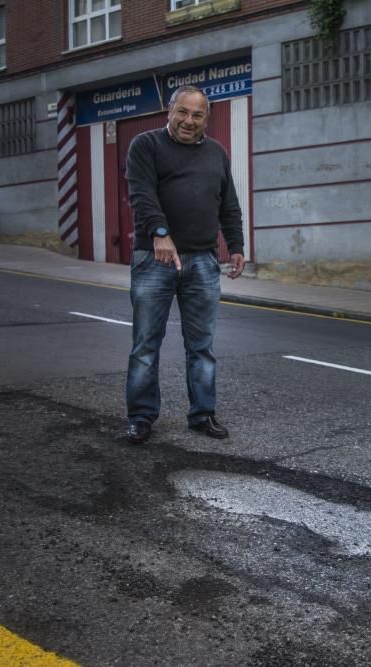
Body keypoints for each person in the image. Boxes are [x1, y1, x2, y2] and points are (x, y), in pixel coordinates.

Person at [124, 84, 245, 445]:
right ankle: (141, 417)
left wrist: (235, 245)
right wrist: (160, 233)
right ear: (169, 111)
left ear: (206, 118)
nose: (189, 120)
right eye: (183, 112)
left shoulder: (216, 152)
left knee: (202, 345)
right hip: (154, 259)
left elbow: (229, 203)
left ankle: (202, 414)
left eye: (197, 114)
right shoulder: (146, 146)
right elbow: (141, 193)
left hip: (204, 261)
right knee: (146, 344)